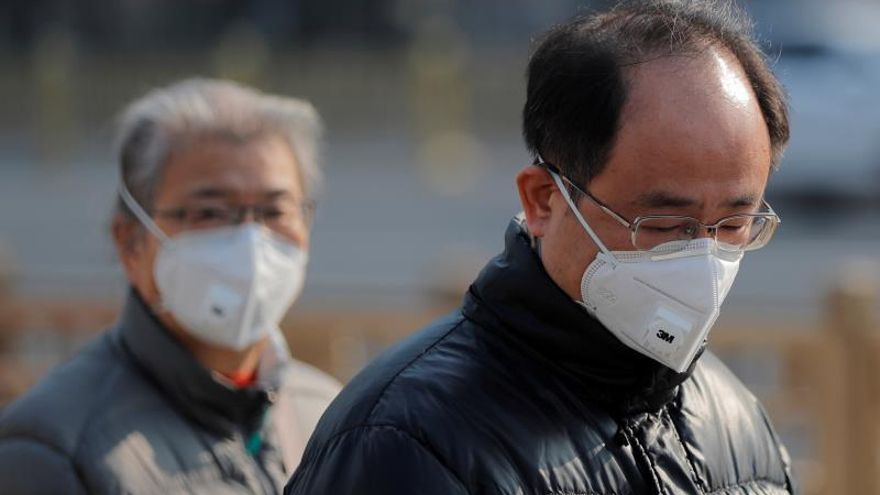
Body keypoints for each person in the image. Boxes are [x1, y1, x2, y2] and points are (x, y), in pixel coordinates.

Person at [285, 1, 798, 494]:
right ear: (545, 200)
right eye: (665, 222)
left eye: (735, 222)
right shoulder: (406, 443)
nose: (704, 260)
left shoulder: (731, 414)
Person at [0, 78, 341, 493]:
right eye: (210, 213)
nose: (252, 242)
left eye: (274, 210)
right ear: (130, 242)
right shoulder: (54, 449)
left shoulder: (329, 414)